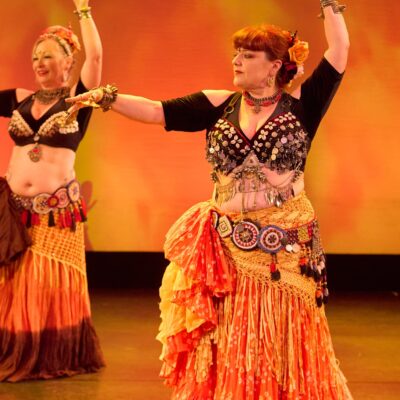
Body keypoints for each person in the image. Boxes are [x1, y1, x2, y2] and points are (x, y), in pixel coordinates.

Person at [67, 1, 352, 398]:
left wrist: (330, 5)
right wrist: (106, 99)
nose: (236, 60)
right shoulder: (218, 104)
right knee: (234, 336)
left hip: (281, 254)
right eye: (236, 53)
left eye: (248, 55)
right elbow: (156, 111)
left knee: (279, 334)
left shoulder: (304, 104)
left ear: (274, 65)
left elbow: (338, 51)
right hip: (227, 250)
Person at [0, 0, 104, 382]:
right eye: (35, 57)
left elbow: (96, 56)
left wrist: (84, 11)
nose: (39, 63)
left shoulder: (78, 100)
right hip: (15, 211)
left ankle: (45, 354)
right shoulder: (20, 98)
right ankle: (14, 348)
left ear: (68, 62)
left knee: (44, 284)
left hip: (54, 214)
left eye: (47, 56)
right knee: (16, 285)